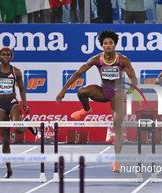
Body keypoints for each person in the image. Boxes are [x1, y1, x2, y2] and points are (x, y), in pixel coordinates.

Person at [56, 30, 137, 172]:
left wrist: (128, 93)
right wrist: (63, 90)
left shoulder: (123, 60)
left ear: (115, 45)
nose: (108, 45)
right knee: (81, 91)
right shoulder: (97, 59)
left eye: (111, 43)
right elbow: (78, 73)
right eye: (105, 43)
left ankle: (116, 161)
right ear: (102, 46)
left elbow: (134, 80)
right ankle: (87, 109)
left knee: (117, 125)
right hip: (103, 91)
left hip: (117, 94)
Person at [0, 47, 37, 178]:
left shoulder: (16, 71)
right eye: (3, 54)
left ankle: (26, 123)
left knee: (18, 129)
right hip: (0, 106)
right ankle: (9, 169)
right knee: (5, 141)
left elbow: (22, 89)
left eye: (8, 54)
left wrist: (25, 104)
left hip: (13, 103)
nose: (6, 56)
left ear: (11, 57)